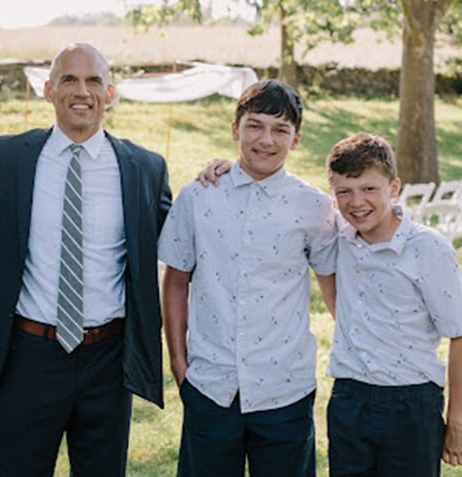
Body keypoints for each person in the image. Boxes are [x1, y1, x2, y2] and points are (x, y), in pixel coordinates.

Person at [0, 42, 172, 476]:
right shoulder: (11, 156)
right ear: (48, 90)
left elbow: (184, 239)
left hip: (107, 359)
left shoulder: (144, 168)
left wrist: (223, 172)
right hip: (28, 355)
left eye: (93, 81)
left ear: (110, 93)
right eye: (69, 79)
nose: (81, 91)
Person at [158, 79, 337, 477]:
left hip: (285, 388)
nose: (266, 140)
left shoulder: (315, 209)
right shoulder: (198, 196)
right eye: (255, 125)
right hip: (210, 385)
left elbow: (336, 292)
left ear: (296, 140)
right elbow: (175, 279)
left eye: (280, 130)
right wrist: (178, 363)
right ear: (235, 129)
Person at [324, 132, 462, 476]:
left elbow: (459, 333)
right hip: (349, 399)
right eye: (344, 191)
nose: (356, 202)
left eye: (369, 189)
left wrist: (457, 416)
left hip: (411, 403)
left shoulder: (428, 249)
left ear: (394, 187)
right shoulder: (336, 235)